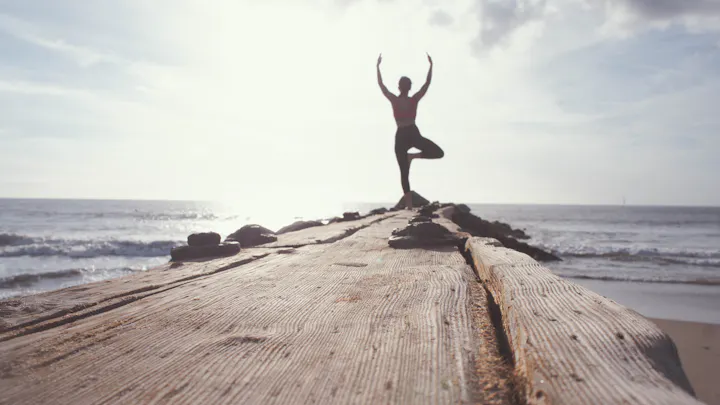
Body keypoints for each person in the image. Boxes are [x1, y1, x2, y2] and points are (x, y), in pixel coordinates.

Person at [376, 53, 444, 210]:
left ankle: (409, 205)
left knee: (403, 171)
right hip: (411, 133)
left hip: (404, 134)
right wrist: (431, 66)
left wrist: (377, 68)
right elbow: (427, 84)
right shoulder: (412, 99)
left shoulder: (396, 99)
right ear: (408, 87)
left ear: (399, 87)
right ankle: (409, 204)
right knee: (436, 153)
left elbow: (381, 85)